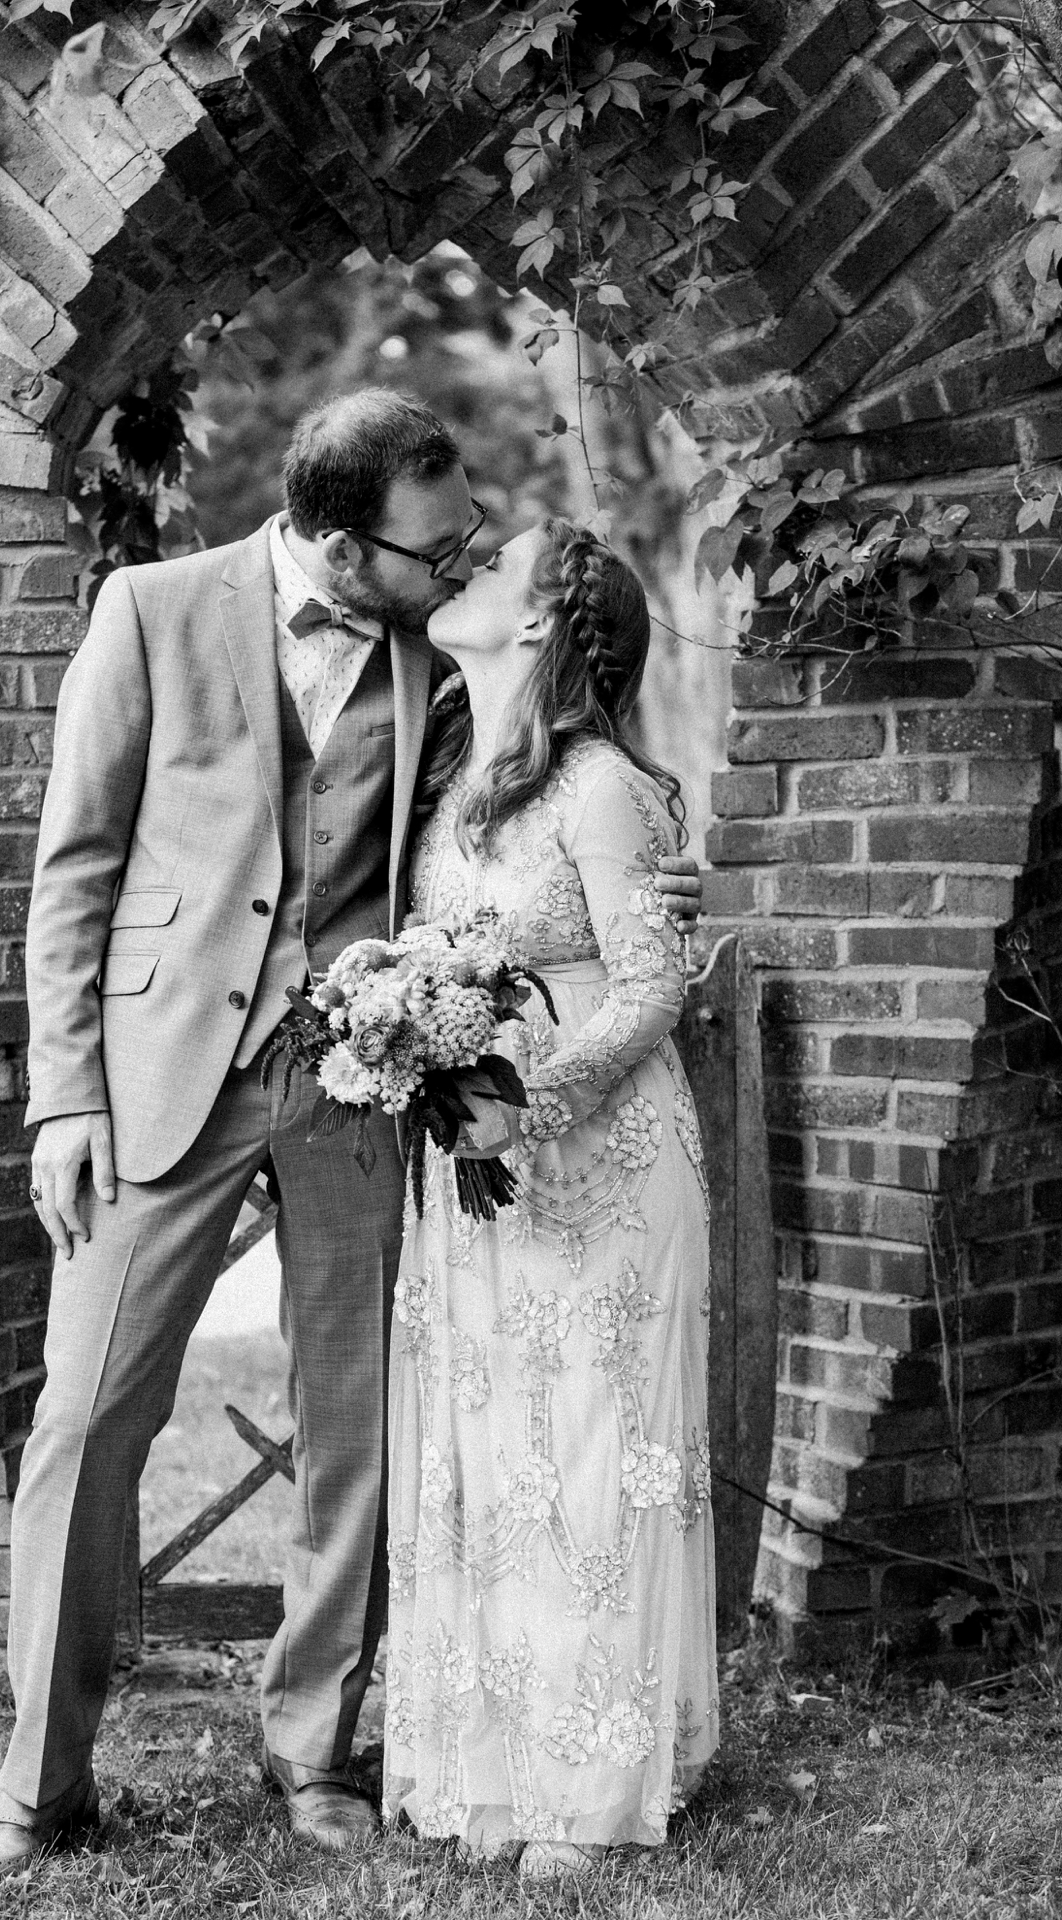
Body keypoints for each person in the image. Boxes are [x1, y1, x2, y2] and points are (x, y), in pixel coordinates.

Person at [0, 391, 704, 1890]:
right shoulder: (150, 613)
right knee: (87, 1422)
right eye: (434, 543)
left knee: (356, 1425)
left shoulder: (449, 665)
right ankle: (36, 1787)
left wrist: (671, 886)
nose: (461, 559)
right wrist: (65, 1094)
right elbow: (73, 869)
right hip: (162, 1078)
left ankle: (313, 1749)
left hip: (361, 1086)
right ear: (347, 548)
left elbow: (558, 790)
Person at [383, 518, 718, 1878]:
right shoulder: (460, 775)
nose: (463, 569)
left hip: (602, 1160)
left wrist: (539, 1094)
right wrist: (398, 1026)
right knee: (493, 1458)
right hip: (476, 1163)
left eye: (494, 563)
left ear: (539, 623)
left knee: (590, 1461)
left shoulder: (604, 791)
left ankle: (589, 1778)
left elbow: (649, 986)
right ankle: (494, 1762)